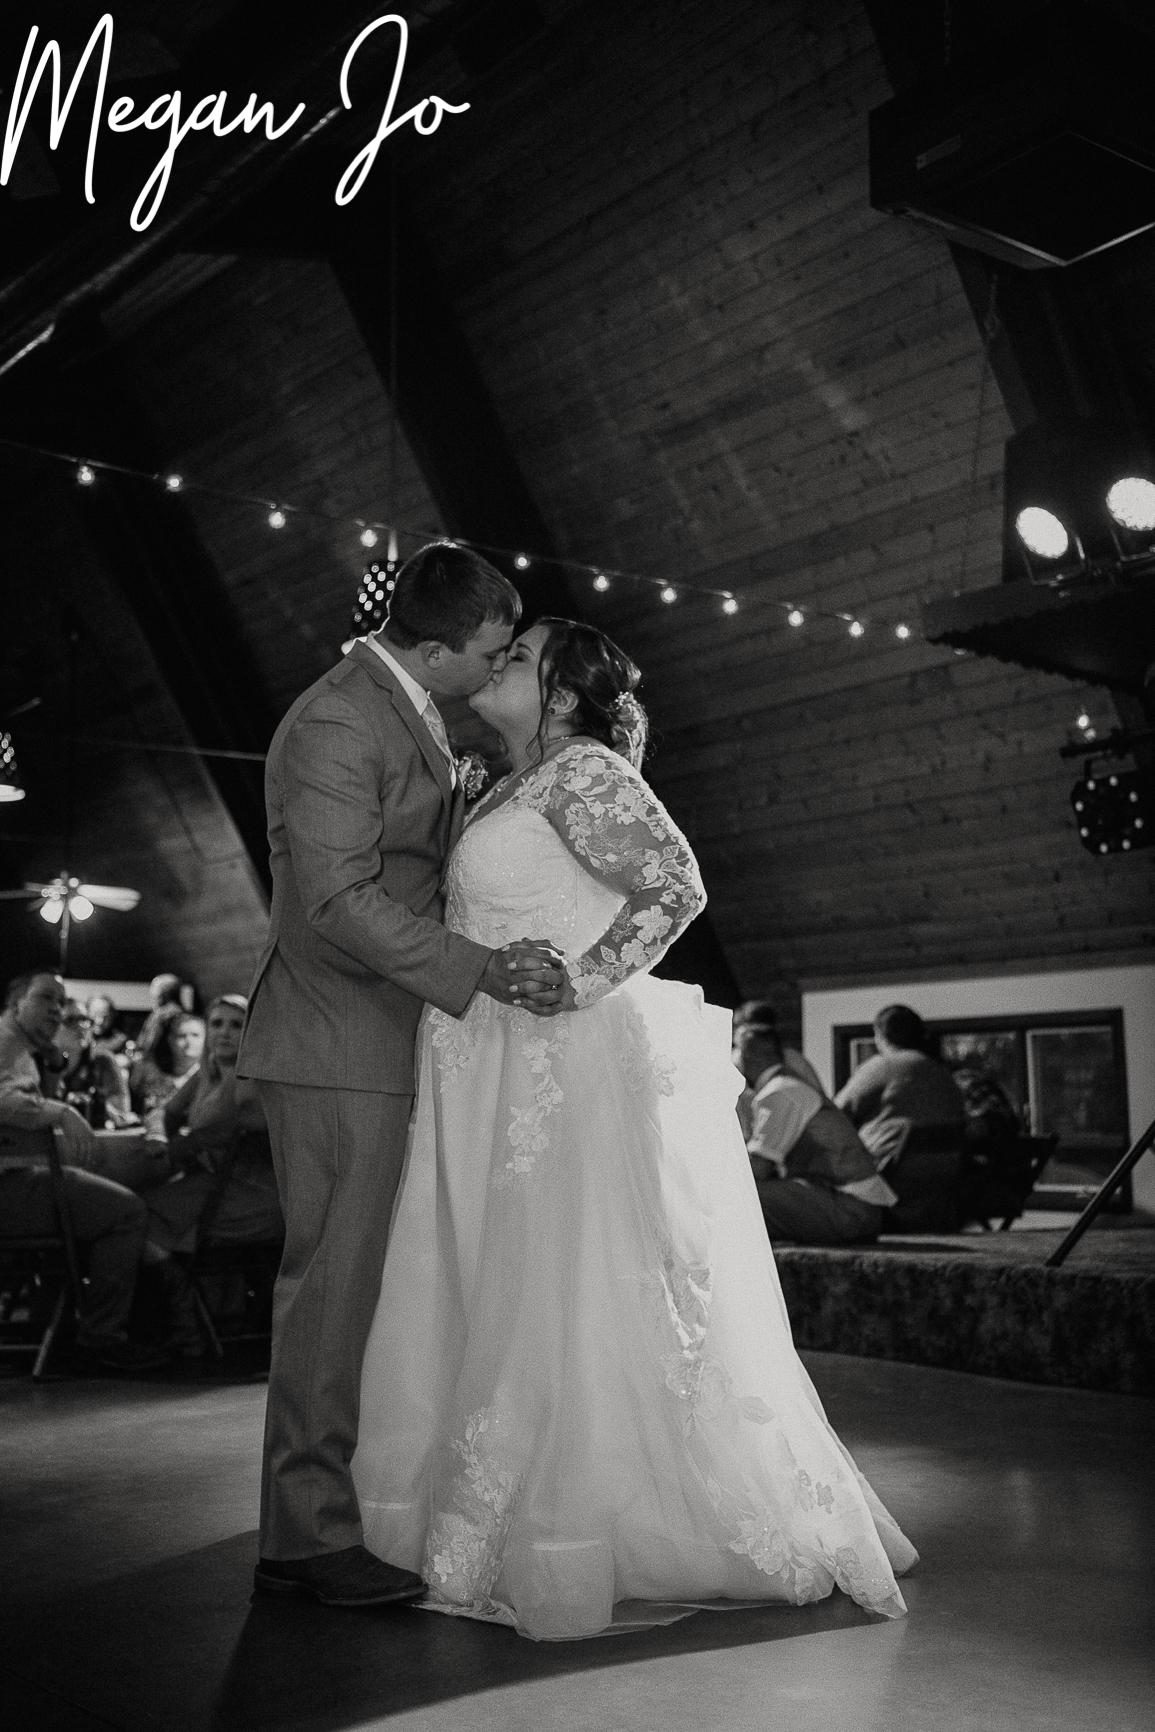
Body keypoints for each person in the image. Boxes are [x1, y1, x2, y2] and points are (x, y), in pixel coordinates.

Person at [352, 617, 917, 1640]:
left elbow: (675, 886)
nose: (498, 662)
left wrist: (581, 980)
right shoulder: (510, 781)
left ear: (564, 696)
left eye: (519, 657)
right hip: (484, 1056)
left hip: (554, 1060)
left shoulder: (583, 770)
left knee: (556, 1284)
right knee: (489, 1275)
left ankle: (576, 1528)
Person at [238, 541, 566, 1611]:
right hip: (336, 1044)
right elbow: (334, 901)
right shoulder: (338, 722)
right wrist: (479, 969)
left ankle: (338, 1505)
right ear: (431, 651)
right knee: (331, 1291)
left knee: (365, 1288)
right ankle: (304, 1537)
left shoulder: (412, 708)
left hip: (384, 1036)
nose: (497, 667)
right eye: (488, 653)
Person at [0, 973, 165, 1373]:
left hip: (17, 1179)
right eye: (46, 999)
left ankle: (54, 1322)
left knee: (91, 1204)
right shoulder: (5, 1042)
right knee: (126, 1211)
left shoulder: (22, 1046)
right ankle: (102, 1338)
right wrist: (62, 1111)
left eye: (61, 1002)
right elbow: (5, 1100)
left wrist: (54, 1062)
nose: (57, 1011)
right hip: (7, 1186)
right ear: (17, 1003)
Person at [145, 994, 282, 1360]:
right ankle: (195, 1324)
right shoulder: (207, 1073)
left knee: (137, 1220)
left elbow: (225, 1130)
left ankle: (188, 1327)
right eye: (217, 1023)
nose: (224, 1032)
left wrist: (178, 1146)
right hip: (213, 1186)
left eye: (237, 1025)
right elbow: (164, 1111)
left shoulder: (250, 1081)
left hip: (249, 1196)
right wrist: (158, 1134)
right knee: (139, 1216)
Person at [733, 1015, 897, 1245]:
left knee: (735, 1193)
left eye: (736, 1048)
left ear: (751, 1054)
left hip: (849, 1209)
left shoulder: (780, 1092)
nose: (732, 1057)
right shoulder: (786, 1085)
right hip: (855, 1209)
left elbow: (758, 1169)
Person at [835, 1006, 967, 1232]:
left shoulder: (883, 1065)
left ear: (880, 1035)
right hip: (940, 1185)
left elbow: (837, 1113)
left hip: (888, 1181)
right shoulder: (942, 1073)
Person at [53, 1000, 136, 1128]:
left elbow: (121, 1115)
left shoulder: (103, 1060)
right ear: (52, 1026)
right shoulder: (43, 1061)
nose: (80, 1026)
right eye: (70, 1020)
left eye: (84, 1020)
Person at [130, 1006, 204, 1135]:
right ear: (170, 1039)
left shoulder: (211, 1077)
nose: (189, 1041)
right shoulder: (148, 1074)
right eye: (182, 1036)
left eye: (195, 1035)